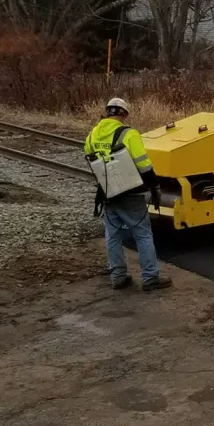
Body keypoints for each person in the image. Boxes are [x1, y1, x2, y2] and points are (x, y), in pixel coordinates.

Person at [84, 98, 172, 292]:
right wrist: (155, 188)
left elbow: (92, 163)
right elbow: (144, 164)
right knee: (142, 233)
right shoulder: (128, 134)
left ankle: (118, 277)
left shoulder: (92, 135)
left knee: (113, 234)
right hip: (130, 191)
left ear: (107, 113)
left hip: (107, 192)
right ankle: (150, 278)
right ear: (124, 114)